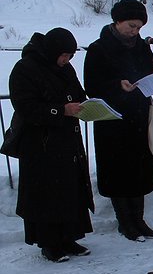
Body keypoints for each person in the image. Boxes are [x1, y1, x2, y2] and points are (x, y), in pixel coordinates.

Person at [9, 28, 94, 262]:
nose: (66, 61)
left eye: (70, 57)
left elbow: (77, 93)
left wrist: (84, 105)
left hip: (67, 140)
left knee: (69, 191)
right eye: (64, 56)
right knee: (46, 195)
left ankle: (69, 237)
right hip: (40, 143)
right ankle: (49, 243)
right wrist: (59, 110)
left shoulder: (65, 68)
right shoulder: (25, 69)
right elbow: (25, 106)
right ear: (52, 51)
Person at [84, 0, 153, 242]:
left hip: (139, 116)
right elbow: (91, 85)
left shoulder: (142, 47)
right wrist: (117, 85)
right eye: (131, 26)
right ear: (117, 22)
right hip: (113, 120)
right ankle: (124, 221)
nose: (135, 31)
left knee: (139, 170)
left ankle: (139, 219)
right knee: (119, 172)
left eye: (138, 27)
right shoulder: (98, 49)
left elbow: (148, 69)